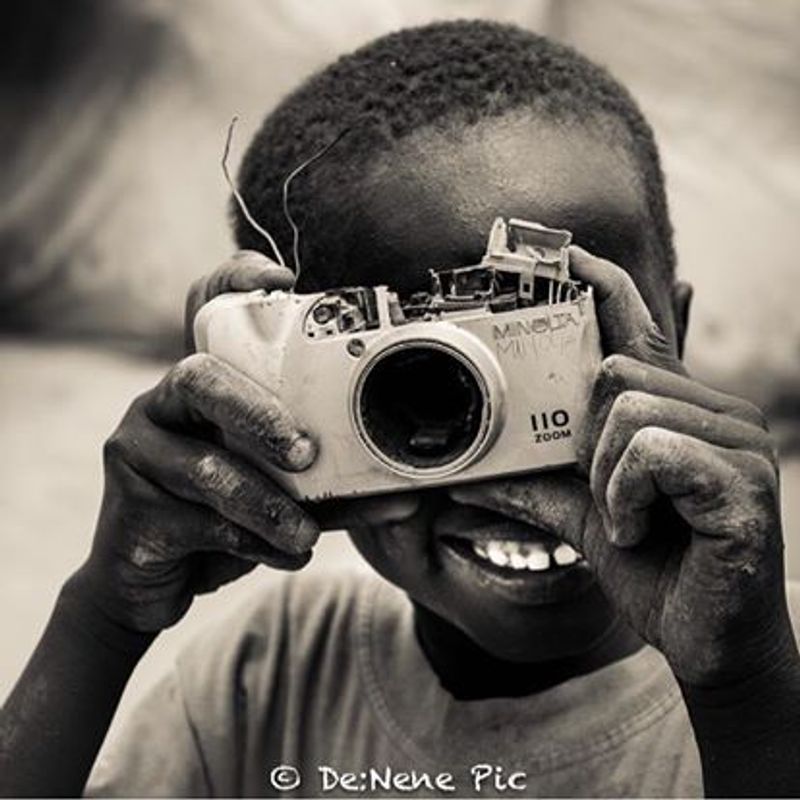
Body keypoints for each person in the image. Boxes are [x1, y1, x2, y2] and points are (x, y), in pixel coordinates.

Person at [2, 20, 799, 798]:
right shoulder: (269, 670)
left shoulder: (770, 670)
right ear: (282, 397)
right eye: (416, 389)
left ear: (673, 337)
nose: (516, 455)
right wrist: (104, 618)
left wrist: (742, 684)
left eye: (564, 353)